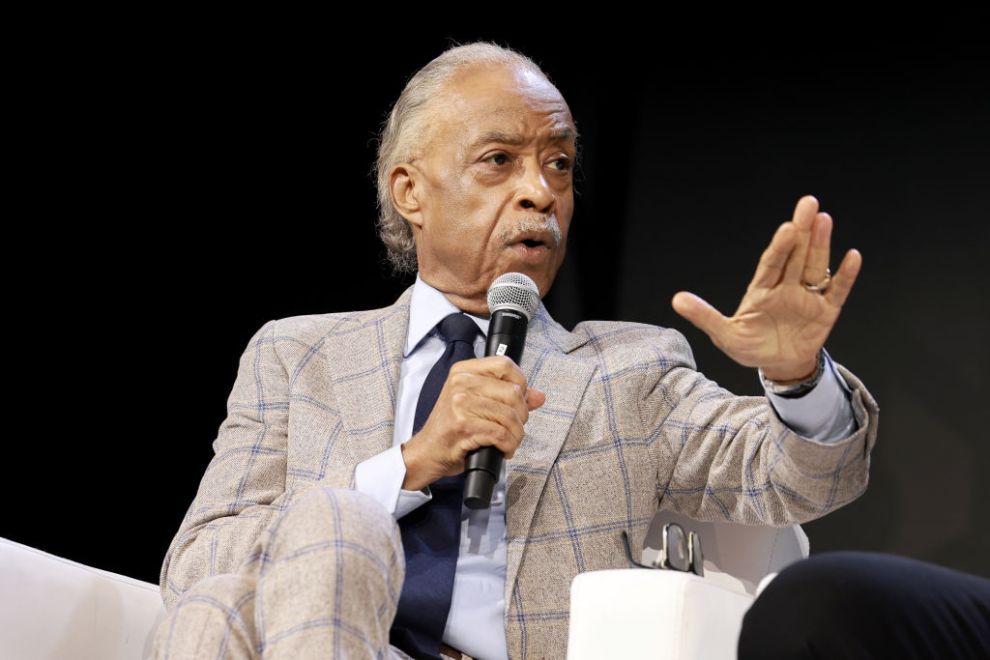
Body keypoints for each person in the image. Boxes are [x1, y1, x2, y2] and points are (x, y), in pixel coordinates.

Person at [151, 41, 883, 659]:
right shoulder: (296, 355)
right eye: (499, 160)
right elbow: (196, 562)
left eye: (559, 164)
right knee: (222, 598)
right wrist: (407, 468)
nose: (541, 192)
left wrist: (793, 376)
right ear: (410, 190)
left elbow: (794, 480)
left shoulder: (625, 371)